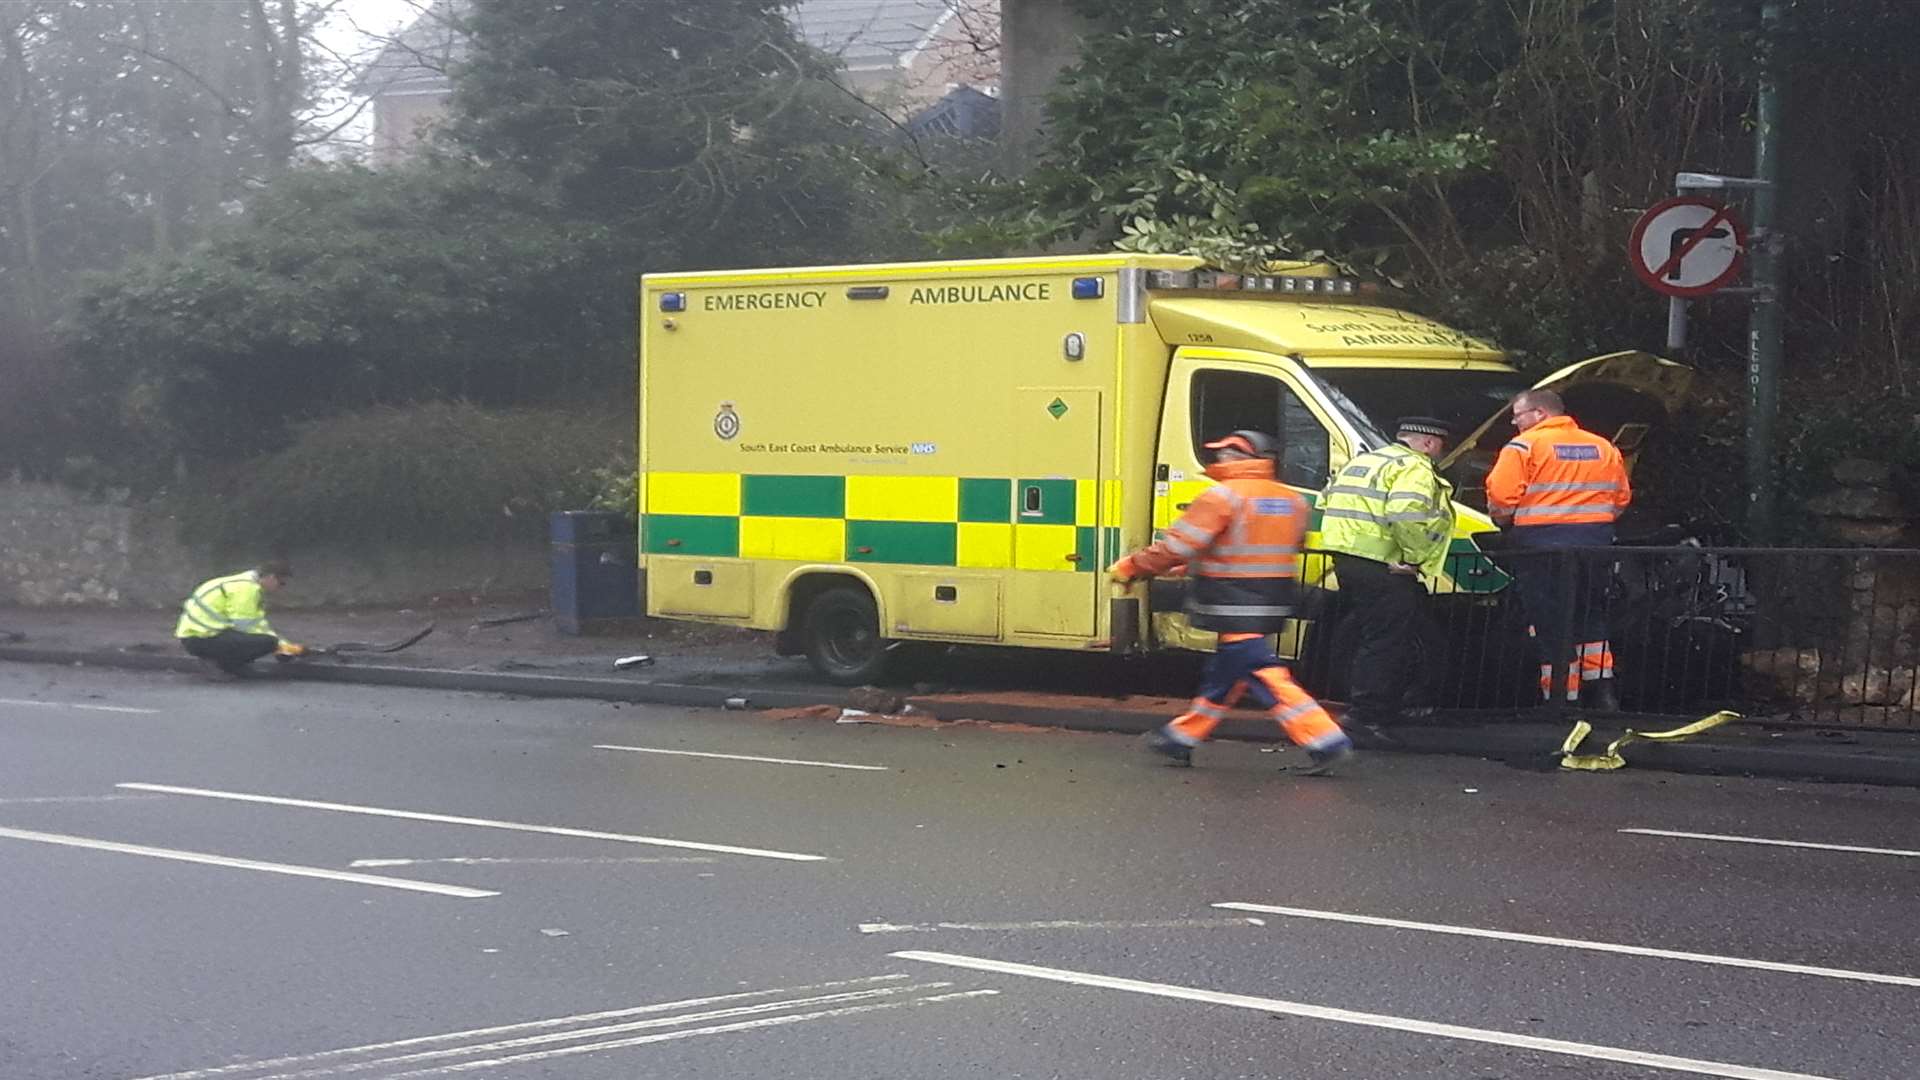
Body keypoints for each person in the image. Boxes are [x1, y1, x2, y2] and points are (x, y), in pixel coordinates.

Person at [1109, 430, 1355, 773]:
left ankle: (1326, 740)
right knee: (1225, 675)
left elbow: (1177, 546)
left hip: (1230, 599)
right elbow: (1272, 544)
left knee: (1265, 673)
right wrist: (1194, 563)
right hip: (1273, 598)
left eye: (1227, 452)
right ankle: (1180, 738)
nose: (1220, 458)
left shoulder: (1221, 497)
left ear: (1245, 457)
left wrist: (1131, 567)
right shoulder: (1292, 499)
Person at [1485, 389, 1630, 710]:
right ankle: (1604, 693)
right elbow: (1620, 499)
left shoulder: (1523, 446)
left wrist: (1507, 521)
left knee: (1550, 620)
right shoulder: (1602, 446)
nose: (1514, 421)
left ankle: (1562, 698)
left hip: (1541, 547)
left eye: (1518, 415)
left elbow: (1502, 499)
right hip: (1595, 544)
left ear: (1539, 414)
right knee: (1590, 615)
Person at [1317, 417, 1456, 739]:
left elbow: (1326, 500)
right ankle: (1367, 715)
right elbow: (1405, 513)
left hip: (1348, 558)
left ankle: (1386, 707)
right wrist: (1412, 557)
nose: (1438, 452)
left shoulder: (1364, 461)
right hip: (1384, 562)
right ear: (1428, 443)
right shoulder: (1414, 467)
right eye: (1438, 446)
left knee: (1381, 634)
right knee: (1384, 639)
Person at [175, 560, 305, 680]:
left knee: (266, 641)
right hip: (201, 639)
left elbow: (258, 624)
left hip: (196, 635)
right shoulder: (246, 590)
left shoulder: (242, 583)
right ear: (271, 577)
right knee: (267, 643)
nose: (280, 588)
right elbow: (245, 627)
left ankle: (229, 666)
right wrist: (278, 645)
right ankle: (223, 665)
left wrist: (283, 643)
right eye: (281, 583)